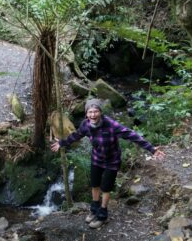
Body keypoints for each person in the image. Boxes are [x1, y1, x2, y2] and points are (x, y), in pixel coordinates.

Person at [50, 98, 165, 229]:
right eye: (90, 112)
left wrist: (151, 149)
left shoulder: (111, 125)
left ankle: (102, 214)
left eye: (95, 111)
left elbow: (131, 134)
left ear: (100, 112)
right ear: (86, 114)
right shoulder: (86, 125)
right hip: (96, 159)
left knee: (106, 187)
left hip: (112, 161)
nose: (93, 115)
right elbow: (76, 135)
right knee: (94, 184)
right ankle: (94, 209)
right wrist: (62, 143)